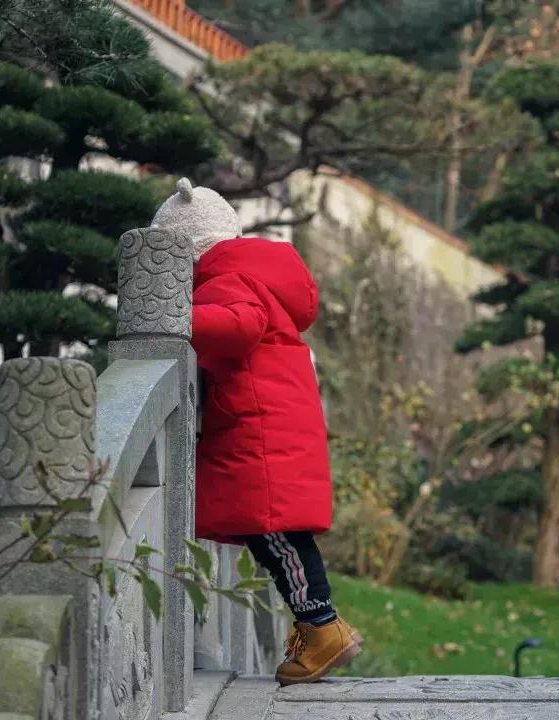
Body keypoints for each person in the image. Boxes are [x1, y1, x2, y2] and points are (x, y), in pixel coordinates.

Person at [150, 178, 361, 685]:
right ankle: (318, 626)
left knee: (276, 535)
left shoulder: (228, 279)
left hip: (259, 432)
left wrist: (171, 317)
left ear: (191, 251)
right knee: (273, 535)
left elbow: (239, 326)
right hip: (267, 425)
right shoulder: (254, 273)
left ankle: (322, 626)